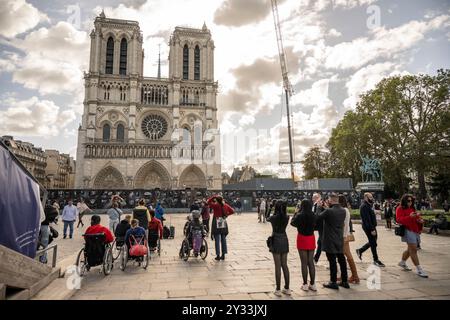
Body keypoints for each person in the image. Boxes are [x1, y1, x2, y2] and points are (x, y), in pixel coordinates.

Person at [316, 193, 349, 290]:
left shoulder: (329, 211)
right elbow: (331, 213)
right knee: (341, 259)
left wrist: (318, 207)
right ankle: (345, 281)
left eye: (328, 200)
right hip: (339, 238)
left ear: (330, 200)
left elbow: (318, 217)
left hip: (330, 239)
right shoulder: (343, 210)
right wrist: (327, 208)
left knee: (332, 261)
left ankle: (333, 281)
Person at [396, 194, 428, 278]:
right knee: (413, 249)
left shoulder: (412, 208)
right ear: (404, 201)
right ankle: (419, 270)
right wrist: (409, 217)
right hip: (407, 230)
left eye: (411, 201)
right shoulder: (400, 208)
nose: (410, 202)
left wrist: (420, 220)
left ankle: (402, 262)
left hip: (415, 230)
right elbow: (399, 220)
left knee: (410, 249)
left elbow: (416, 218)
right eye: (408, 201)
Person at [291, 199, 316, 292]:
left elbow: (292, 223)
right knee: (311, 262)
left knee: (304, 263)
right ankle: (313, 284)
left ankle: (305, 284)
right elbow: (316, 224)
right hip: (311, 238)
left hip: (302, 238)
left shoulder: (300, 215)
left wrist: (295, 212)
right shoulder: (313, 215)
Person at [267, 200, 291, 296]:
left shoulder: (274, 218)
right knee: (284, 265)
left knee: (277, 265)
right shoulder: (287, 217)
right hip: (284, 238)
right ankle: (287, 288)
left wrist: (270, 207)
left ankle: (278, 289)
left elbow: (266, 217)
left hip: (276, 239)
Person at [356, 192, 385, 267]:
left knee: (373, 242)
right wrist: (372, 229)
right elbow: (366, 219)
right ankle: (376, 260)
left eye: (372, 197)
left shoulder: (368, 205)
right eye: (370, 197)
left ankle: (360, 250)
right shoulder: (364, 206)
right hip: (368, 227)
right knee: (373, 243)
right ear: (366, 198)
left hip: (371, 226)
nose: (372, 198)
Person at [339, 195, 360, 284]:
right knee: (344, 255)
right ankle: (348, 275)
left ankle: (355, 276)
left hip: (343, 236)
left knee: (347, 256)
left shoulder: (343, 210)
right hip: (345, 235)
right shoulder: (346, 210)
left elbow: (343, 224)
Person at [207, 195, 234, 260]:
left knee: (217, 240)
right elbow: (232, 211)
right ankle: (223, 254)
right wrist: (226, 215)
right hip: (223, 223)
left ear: (217, 200)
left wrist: (213, 196)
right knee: (223, 239)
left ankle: (218, 255)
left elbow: (208, 202)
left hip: (216, 222)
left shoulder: (216, 205)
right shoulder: (225, 205)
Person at [312, 193, 325, 264]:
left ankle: (316, 258)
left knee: (321, 242)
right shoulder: (315, 205)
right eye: (313, 197)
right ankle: (316, 258)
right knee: (320, 242)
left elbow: (319, 216)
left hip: (323, 226)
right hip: (320, 227)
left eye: (314, 197)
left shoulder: (321, 205)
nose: (312, 199)